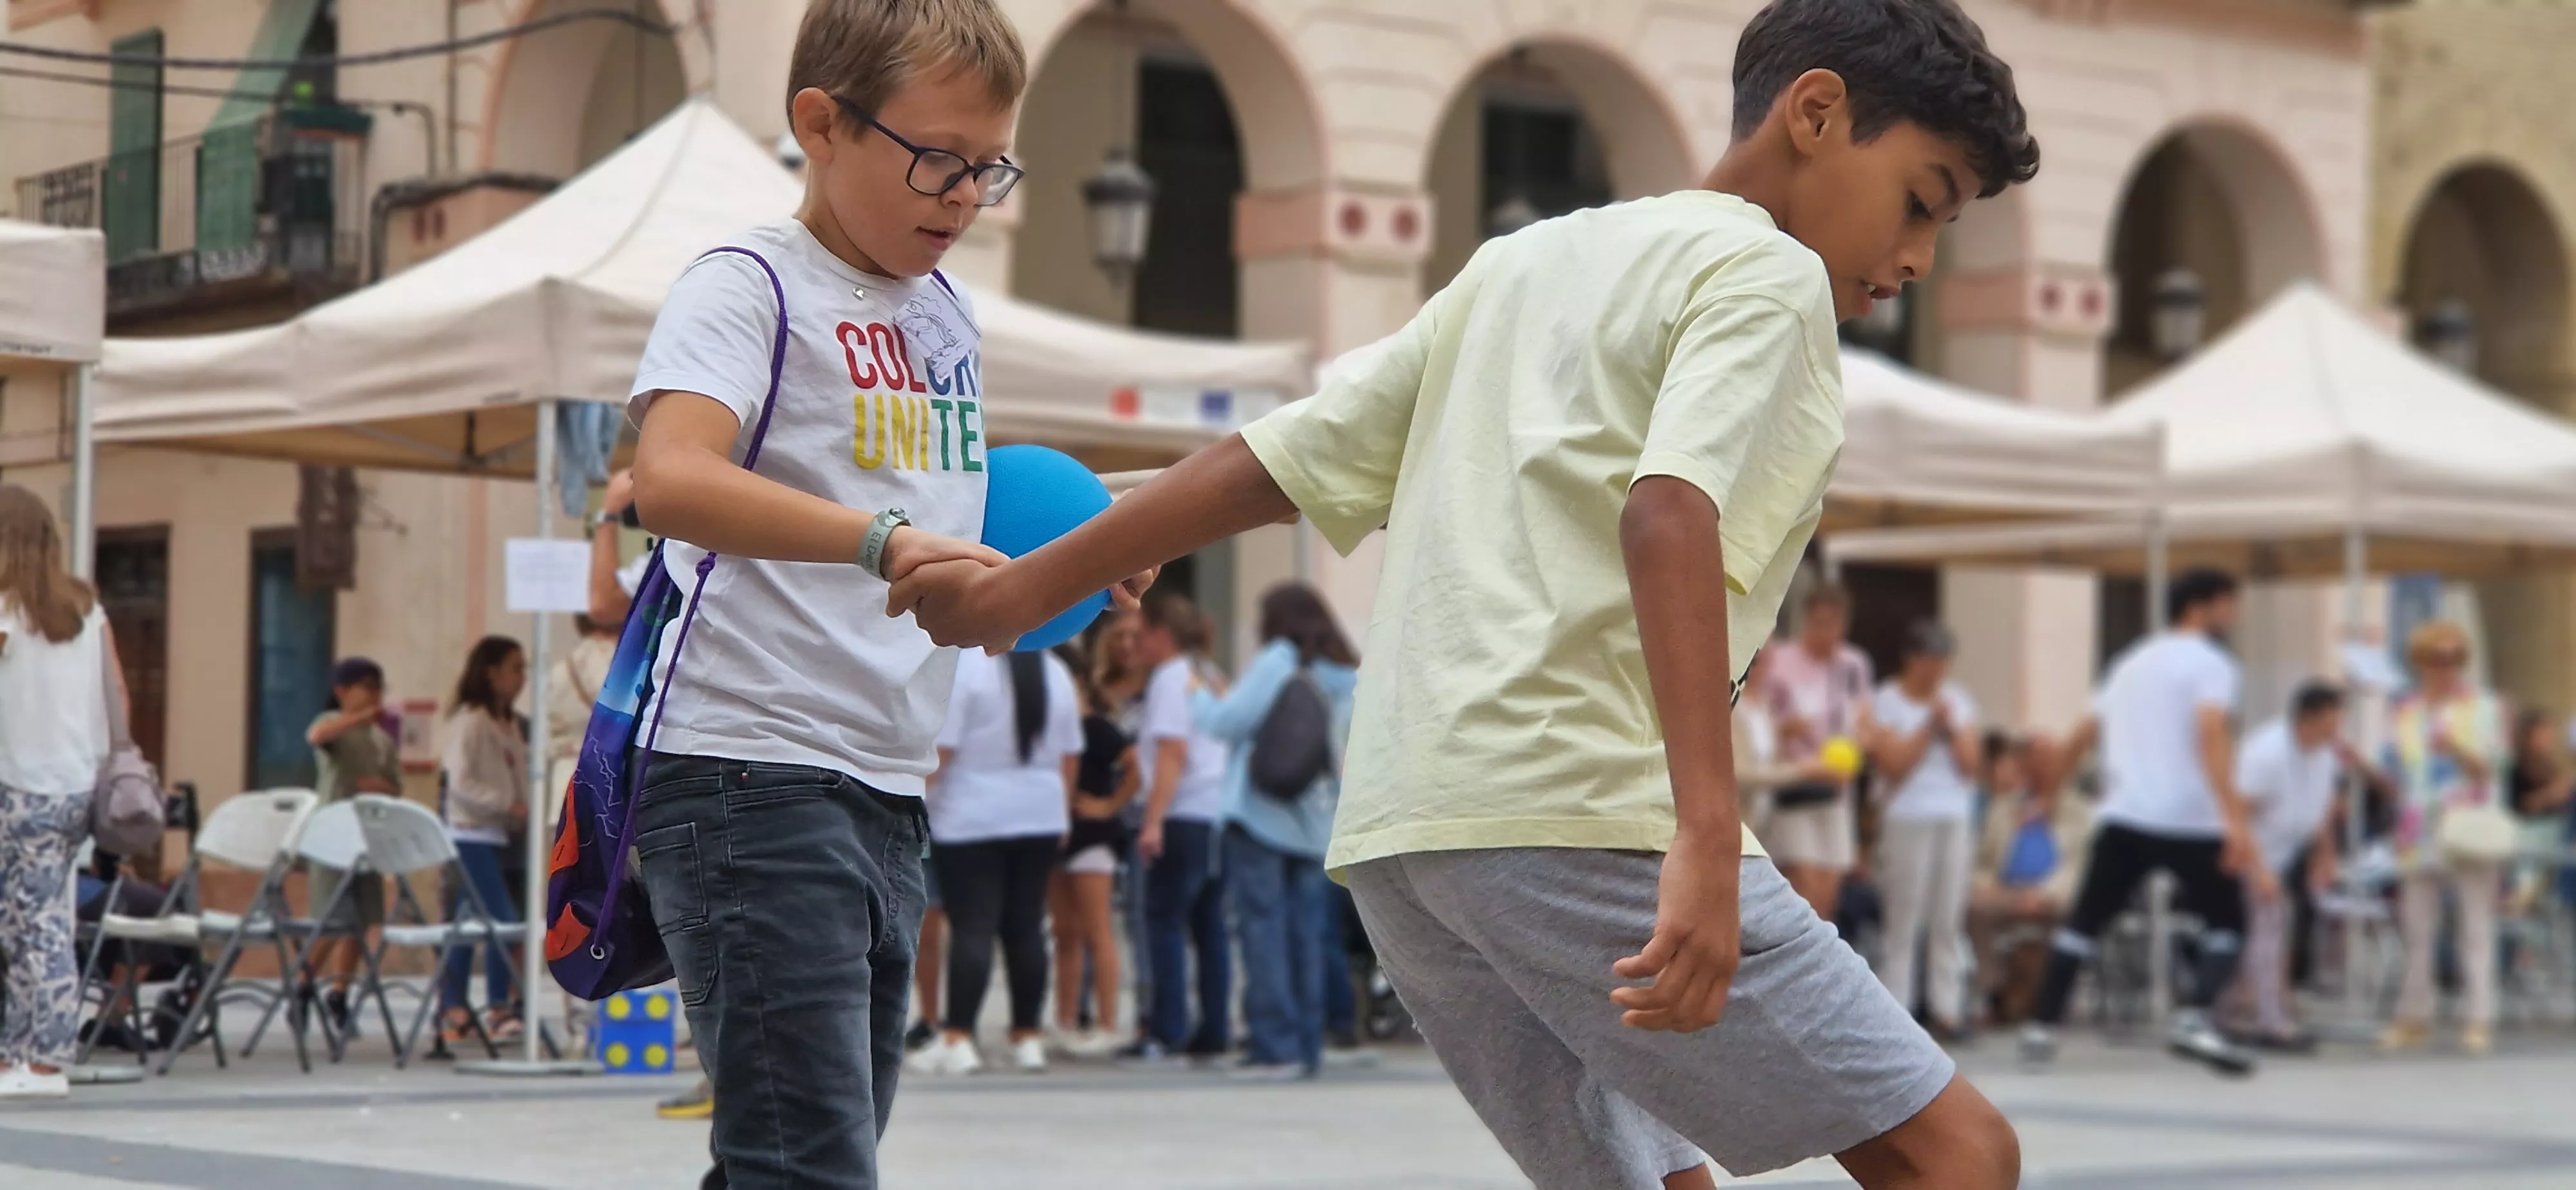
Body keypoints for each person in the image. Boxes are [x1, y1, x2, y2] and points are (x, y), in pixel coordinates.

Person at [891, 0, 2038, 1181]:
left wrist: (1024, 590)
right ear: (1816, 111)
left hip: (1408, 834)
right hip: (1581, 804)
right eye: (1922, 198)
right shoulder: (1768, 272)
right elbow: (1670, 510)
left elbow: (1282, 457)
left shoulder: (1526, 259)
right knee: (1957, 1151)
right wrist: (1705, 829)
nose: (1915, 263)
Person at [620, 3, 1143, 1182]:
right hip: (750, 766)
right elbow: (670, 476)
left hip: (889, 779)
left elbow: (951, 516)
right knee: (810, 1159)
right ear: (822, 123)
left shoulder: (945, 314)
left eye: (988, 168)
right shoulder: (749, 286)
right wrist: (881, 542)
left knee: (797, 1149)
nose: (963, 195)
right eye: (937, 159)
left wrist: (1092, 542)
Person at [2022, 568, 2264, 1075]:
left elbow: (2083, 731)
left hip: (2126, 813)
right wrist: (2235, 821)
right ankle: (2194, 1014)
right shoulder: (2213, 664)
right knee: (2228, 920)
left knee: (2085, 921)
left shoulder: (2131, 661)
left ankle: (2040, 1025)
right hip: (2190, 818)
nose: (2236, 616)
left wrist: (2050, 792)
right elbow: (2212, 737)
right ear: (2202, 606)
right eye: (2229, 604)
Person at [1194, 583, 1360, 1079]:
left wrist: (1198, 700)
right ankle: (1306, 1046)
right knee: (1307, 935)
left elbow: (1229, 721)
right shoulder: (1346, 673)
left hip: (1261, 817)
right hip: (1316, 822)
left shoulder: (1279, 658)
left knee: (1263, 931)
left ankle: (1274, 1047)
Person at [909, 648, 1084, 1077]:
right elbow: (1069, 752)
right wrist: (1062, 810)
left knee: (974, 926)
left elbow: (944, 749)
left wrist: (911, 800)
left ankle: (960, 1038)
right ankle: (1027, 1037)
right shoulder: (1054, 668)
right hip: (1040, 811)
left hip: (973, 813)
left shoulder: (970, 663)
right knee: (1026, 927)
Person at [0, 484, 118, 1100]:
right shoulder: (84, 608)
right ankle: (19, 1055)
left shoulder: (5, 611)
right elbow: (114, 693)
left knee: (32, 924)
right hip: (74, 785)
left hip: (20, 786)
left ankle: (43, 1061)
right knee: (28, 919)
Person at [2380, 620, 2508, 1057]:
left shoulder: (2481, 706)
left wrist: (2455, 748)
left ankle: (2479, 1018)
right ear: (2420, 662)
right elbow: (2402, 773)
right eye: (2438, 659)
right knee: (2417, 928)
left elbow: (2492, 768)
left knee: (2475, 926)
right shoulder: (2406, 710)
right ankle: (2415, 1015)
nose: (2447, 667)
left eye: (2455, 659)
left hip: (2467, 822)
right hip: (2419, 826)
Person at [1124, 593, 1233, 1064]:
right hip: (1219, 813)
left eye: (1143, 632)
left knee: (1164, 922)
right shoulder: (1212, 675)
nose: (1138, 643)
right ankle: (1214, 1028)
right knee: (1210, 927)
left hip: (1183, 812)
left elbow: (1172, 751)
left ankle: (1166, 1028)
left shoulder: (1171, 678)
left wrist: (1153, 821)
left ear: (1162, 635)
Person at [1865, 621, 1979, 1041]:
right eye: (1931, 660)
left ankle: (1946, 1007)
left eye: (1943, 662)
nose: (1937, 671)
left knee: (1948, 914)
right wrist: (1928, 727)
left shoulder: (1958, 701)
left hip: (1953, 812)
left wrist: (1950, 729)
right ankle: (1899, 1007)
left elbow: (1971, 764)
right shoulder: (1886, 701)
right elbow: (1893, 763)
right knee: (1904, 913)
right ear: (1912, 659)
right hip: (1906, 815)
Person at [2228, 681, 2348, 1052]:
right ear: (2307, 719)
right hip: (2244, 851)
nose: (2336, 728)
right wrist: (2259, 870)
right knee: (2267, 930)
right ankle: (2270, 1022)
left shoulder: (2325, 754)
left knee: (2272, 932)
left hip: (2285, 851)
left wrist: (2325, 854)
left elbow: (2323, 808)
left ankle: (2258, 1011)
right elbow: (2239, 813)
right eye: (2331, 720)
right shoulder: (2267, 753)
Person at [1761, 582, 1875, 920]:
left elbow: (1865, 719)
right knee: (1805, 883)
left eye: (1834, 623)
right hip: (1796, 785)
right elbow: (1759, 719)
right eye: (1819, 622)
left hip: (1836, 788)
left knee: (1828, 890)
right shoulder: (1782, 662)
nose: (1826, 631)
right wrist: (1786, 728)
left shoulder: (1853, 664)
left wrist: (1860, 747)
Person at [302, 656, 402, 1037]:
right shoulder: (332, 727)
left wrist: (382, 789)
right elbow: (318, 738)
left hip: (367, 836)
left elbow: (395, 784)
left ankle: (340, 989)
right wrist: (358, 719)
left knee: (359, 920)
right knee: (333, 917)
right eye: (367, 688)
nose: (375, 696)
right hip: (333, 834)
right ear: (343, 692)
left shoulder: (381, 741)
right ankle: (304, 978)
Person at [437, 636, 530, 1046]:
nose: (521, 678)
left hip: (497, 835)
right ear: (491, 673)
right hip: (470, 834)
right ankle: (498, 1006)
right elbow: (460, 783)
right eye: (515, 668)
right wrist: (507, 803)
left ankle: (453, 1008)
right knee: (504, 922)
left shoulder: (507, 722)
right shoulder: (471, 721)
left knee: (465, 926)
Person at [1050, 628, 1139, 1055]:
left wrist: (1108, 806)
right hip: (1057, 832)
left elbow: (1136, 769)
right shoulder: (1049, 726)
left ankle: (1106, 1022)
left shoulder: (1099, 727)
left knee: (1097, 929)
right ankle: (1065, 1020)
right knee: (1065, 931)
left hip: (1094, 837)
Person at [1966, 736, 2089, 1025]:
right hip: (2006, 892)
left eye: (2048, 762)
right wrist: (1995, 888)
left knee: (2072, 918)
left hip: (2055, 897)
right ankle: (1993, 990)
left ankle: (2040, 995)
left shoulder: (2079, 811)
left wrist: (2041, 895)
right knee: (1971, 908)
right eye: (2033, 763)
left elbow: (2079, 866)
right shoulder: (2003, 808)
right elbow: (1981, 862)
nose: (2041, 769)